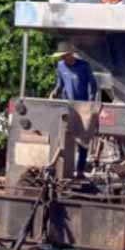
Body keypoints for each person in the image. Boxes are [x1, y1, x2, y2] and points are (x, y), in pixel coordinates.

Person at [50, 43, 97, 175]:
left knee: (83, 140)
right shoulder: (60, 66)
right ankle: (63, 170)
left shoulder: (84, 66)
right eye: (62, 57)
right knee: (66, 136)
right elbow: (60, 84)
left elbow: (92, 85)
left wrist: (90, 102)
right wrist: (54, 92)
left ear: (71, 54)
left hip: (83, 106)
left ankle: (80, 171)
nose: (64, 59)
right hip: (68, 106)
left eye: (65, 56)